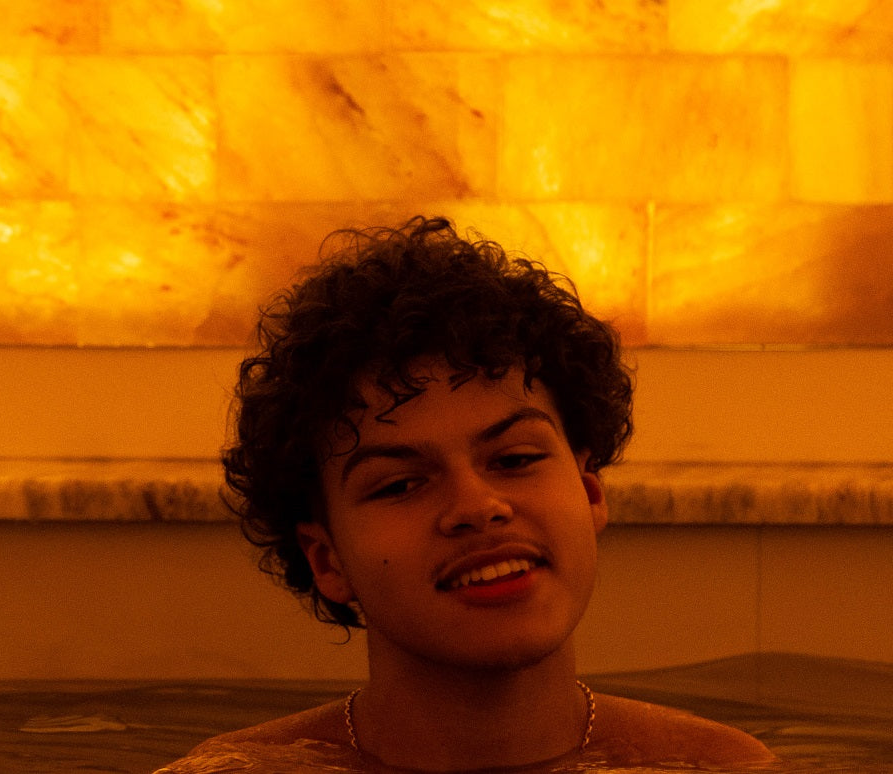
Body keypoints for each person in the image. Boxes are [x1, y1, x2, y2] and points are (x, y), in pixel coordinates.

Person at [158, 218, 773, 772]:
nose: (478, 506)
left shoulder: (714, 768)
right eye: (400, 484)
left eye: (514, 459)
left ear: (589, 494)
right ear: (328, 560)